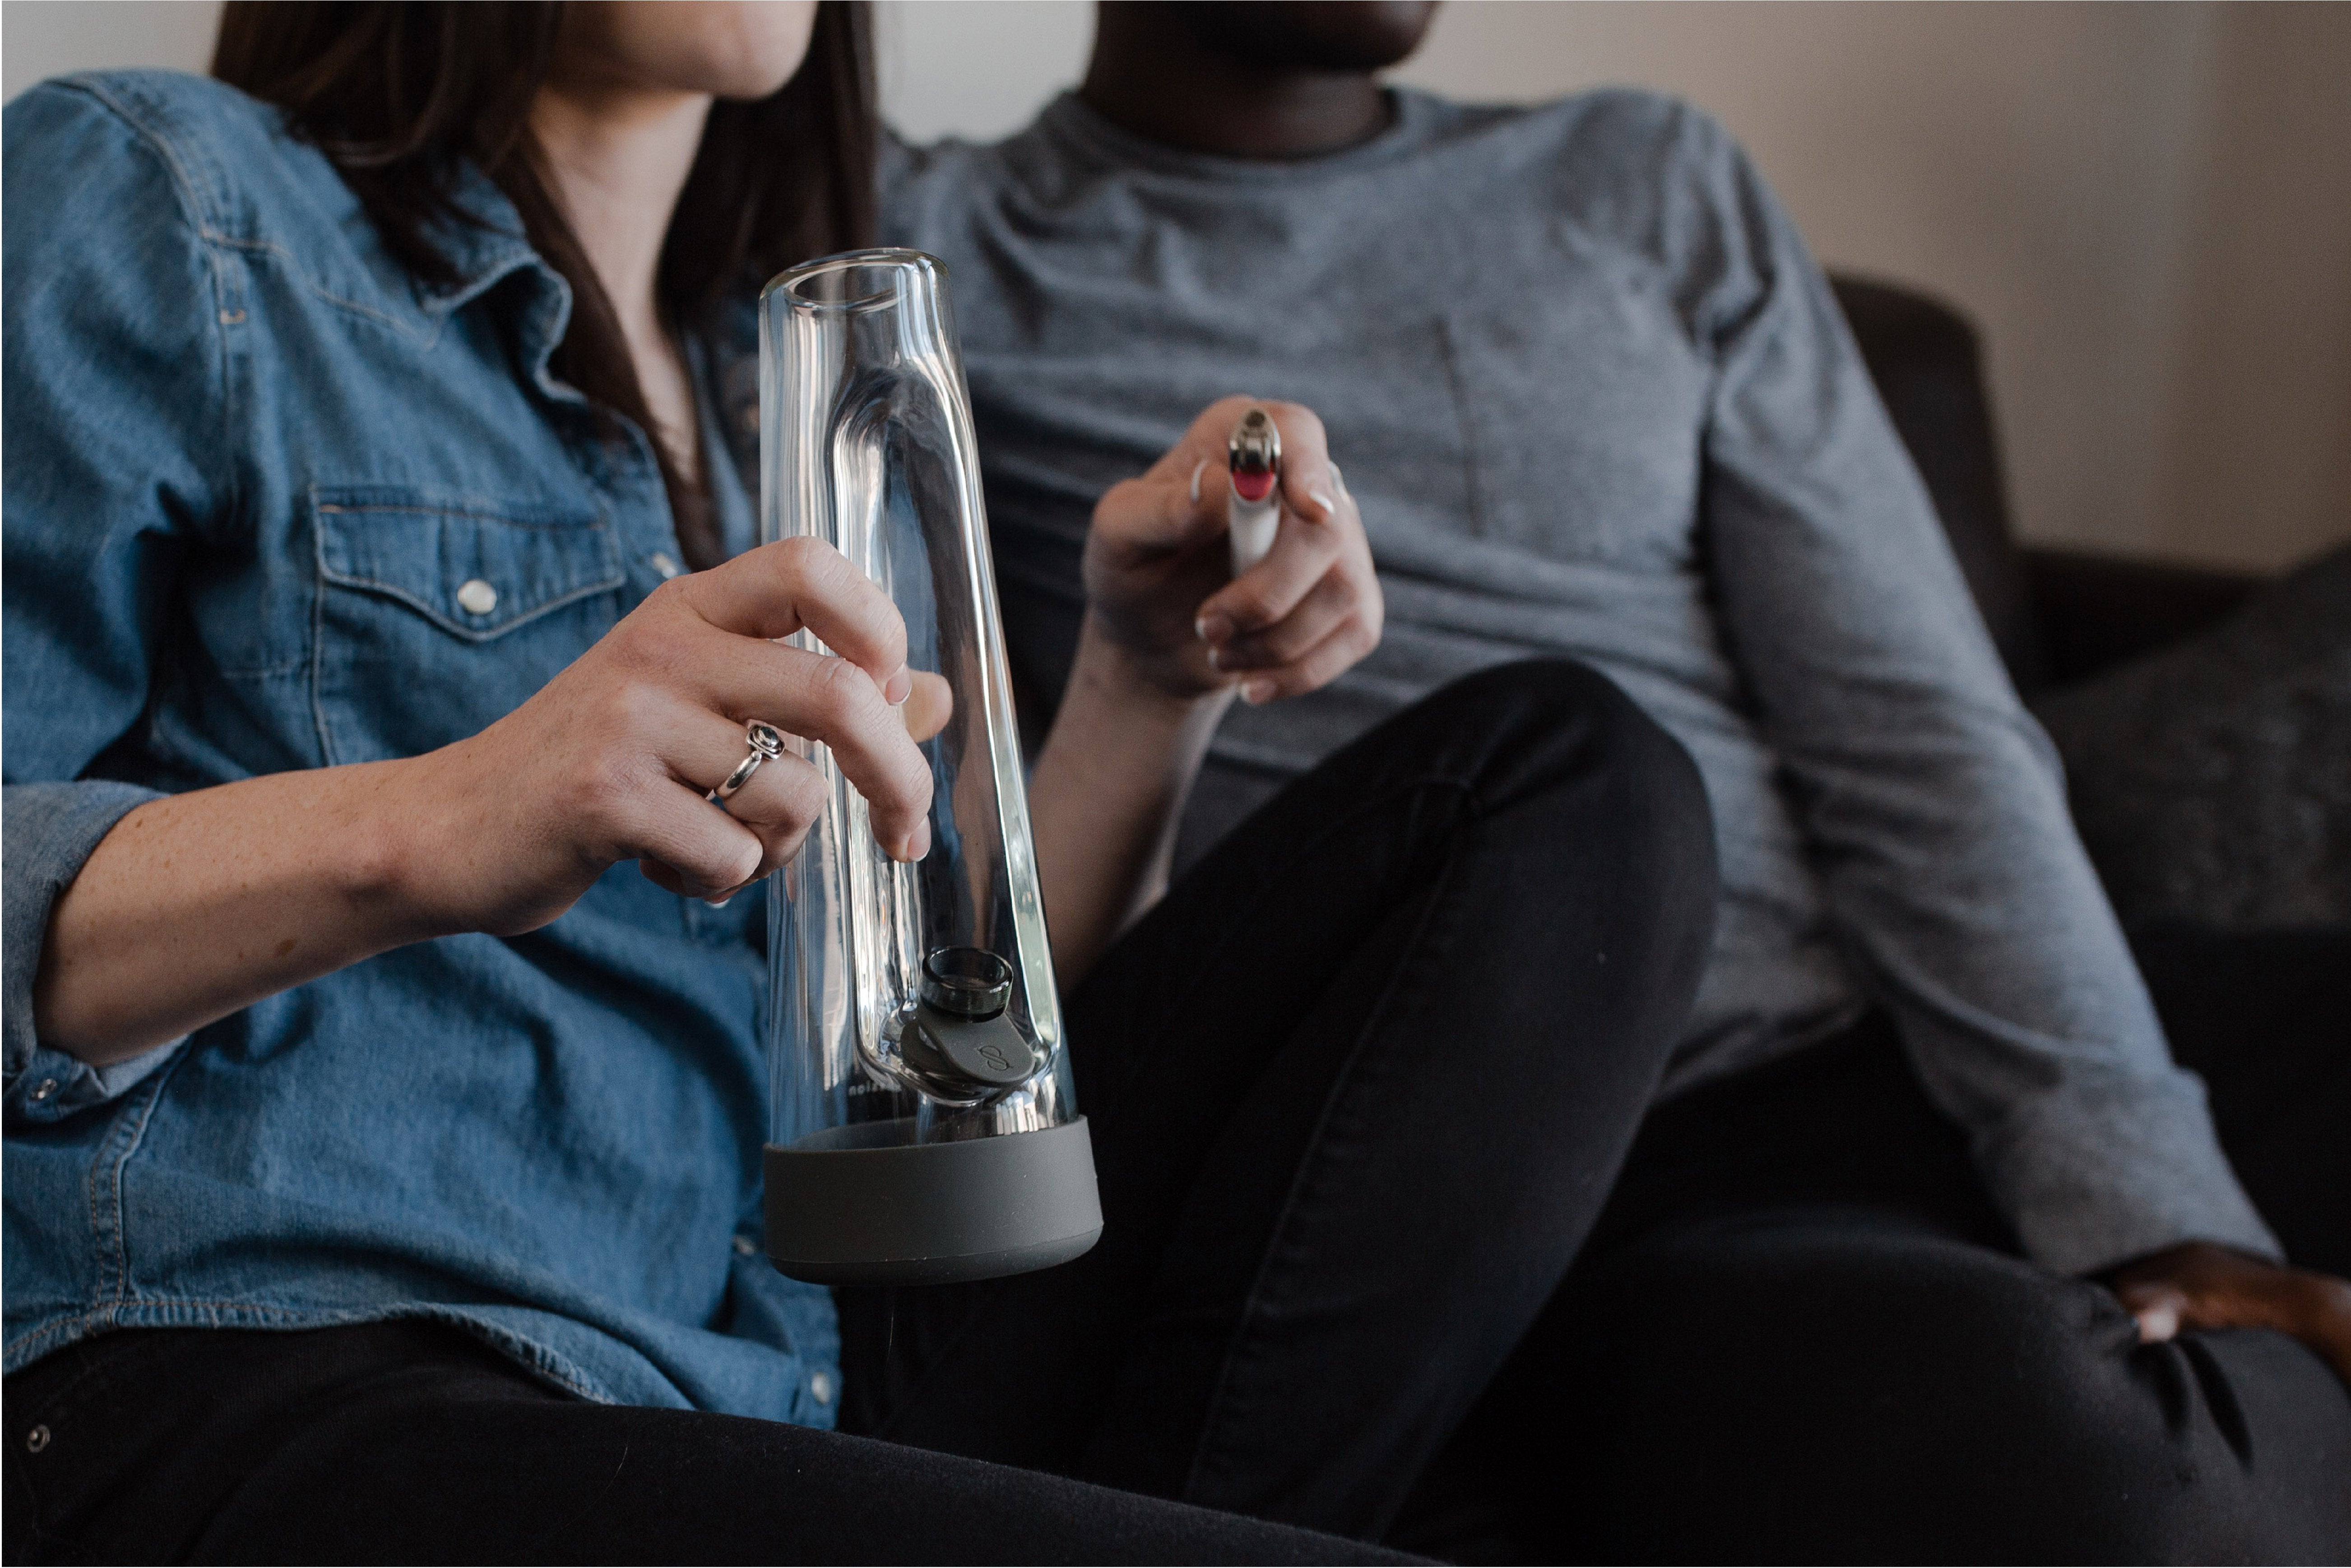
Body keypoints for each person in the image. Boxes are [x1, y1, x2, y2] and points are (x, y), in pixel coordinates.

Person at [1, 3, 1732, 1560]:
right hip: (306, 1367)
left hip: (785, 1371)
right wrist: (446, 816)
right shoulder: (164, 194)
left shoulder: (790, 391)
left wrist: (1143, 672)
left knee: (1570, 786)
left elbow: (926, 1049)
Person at [878, 1, 2351, 1558]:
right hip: (1549, 1162)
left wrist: (2150, 1208)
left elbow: (1920, 740)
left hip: (1877, 1043)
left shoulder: (1640, 178)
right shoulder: (931, 251)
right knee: (2124, 1474)